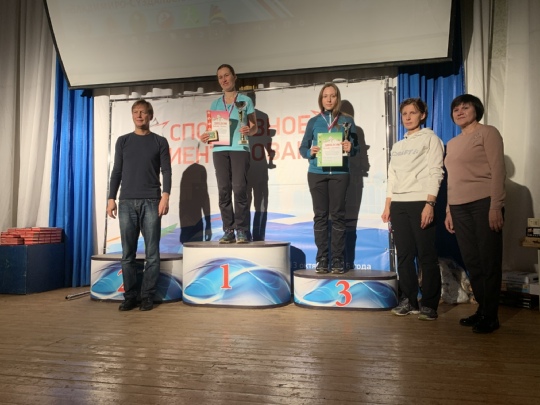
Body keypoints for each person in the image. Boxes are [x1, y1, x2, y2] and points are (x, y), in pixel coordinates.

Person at [444, 94, 506, 334]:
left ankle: (491, 316)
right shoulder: (452, 143)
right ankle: (482, 309)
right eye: (456, 109)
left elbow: (498, 170)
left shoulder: (488, 133)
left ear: (476, 110)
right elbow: (452, 180)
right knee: (472, 261)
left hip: (484, 203)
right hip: (458, 207)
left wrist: (495, 206)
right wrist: (449, 209)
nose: (459, 112)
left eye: (465, 107)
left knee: (489, 260)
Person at [381, 98, 444, 321]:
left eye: (413, 113)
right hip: (398, 204)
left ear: (422, 115)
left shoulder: (431, 139)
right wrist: (388, 205)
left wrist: (430, 204)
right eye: (404, 113)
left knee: (426, 255)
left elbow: (436, 172)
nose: (407, 117)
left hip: (421, 202)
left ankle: (429, 304)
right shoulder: (398, 146)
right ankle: (409, 300)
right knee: (404, 255)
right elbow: (392, 177)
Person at [107, 99, 172, 312]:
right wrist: (111, 198)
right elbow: (117, 171)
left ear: (150, 116)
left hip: (152, 201)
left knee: (152, 253)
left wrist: (165, 196)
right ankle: (130, 296)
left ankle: (147, 297)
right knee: (128, 254)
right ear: (132, 115)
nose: (139, 115)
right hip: (126, 202)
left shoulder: (159, 141)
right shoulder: (123, 141)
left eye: (143, 112)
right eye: (136, 112)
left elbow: (166, 171)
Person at [299, 83, 358, 274]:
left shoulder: (347, 121)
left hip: (340, 174)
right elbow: (303, 148)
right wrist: (310, 152)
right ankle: (322, 259)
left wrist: (351, 148)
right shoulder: (314, 122)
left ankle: (338, 259)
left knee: (338, 216)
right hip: (317, 173)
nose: (329, 99)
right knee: (320, 217)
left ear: (337, 98)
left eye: (332, 96)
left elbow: (356, 148)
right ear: (321, 99)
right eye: (325, 96)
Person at [201, 64, 257, 244]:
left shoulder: (245, 101)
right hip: (220, 149)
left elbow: (254, 127)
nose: (224, 79)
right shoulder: (215, 104)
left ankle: (242, 229)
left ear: (234, 76)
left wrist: (249, 130)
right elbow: (212, 130)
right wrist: (206, 136)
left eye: (226, 75)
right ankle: (228, 229)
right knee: (224, 190)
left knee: (239, 188)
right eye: (220, 77)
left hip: (239, 148)